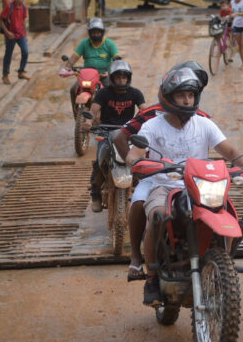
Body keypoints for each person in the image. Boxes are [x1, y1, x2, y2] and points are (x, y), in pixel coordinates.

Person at [125, 67, 243, 306]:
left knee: (229, 215)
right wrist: (138, 161)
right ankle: (151, 277)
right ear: (169, 97)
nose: (187, 100)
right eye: (182, 95)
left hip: (200, 185)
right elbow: (134, 154)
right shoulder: (153, 126)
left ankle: (223, 263)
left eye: (191, 95)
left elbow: (231, 151)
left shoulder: (204, 124)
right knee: (158, 216)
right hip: (164, 186)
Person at [114, 61, 210, 281]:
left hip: (190, 176)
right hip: (155, 175)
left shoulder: (201, 118)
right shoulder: (151, 115)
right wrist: (137, 171)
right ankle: (137, 258)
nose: (188, 98)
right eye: (182, 92)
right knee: (138, 203)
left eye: (193, 91)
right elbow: (121, 137)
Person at [83, 60, 146, 212]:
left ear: (128, 78)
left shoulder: (135, 93)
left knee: (141, 162)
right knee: (99, 162)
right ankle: (95, 193)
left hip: (128, 134)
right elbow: (93, 110)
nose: (121, 80)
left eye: (124, 77)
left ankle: (143, 190)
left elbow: (144, 110)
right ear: (112, 78)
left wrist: (145, 122)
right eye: (118, 78)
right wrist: (89, 121)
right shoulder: (104, 93)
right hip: (106, 131)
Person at [64, 17, 120, 113]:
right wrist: (67, 67)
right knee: (73, 89)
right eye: (93, 32)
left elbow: (116, 58)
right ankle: (76, 114)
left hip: (103, 75)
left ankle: (111, 114)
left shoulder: (110, 44)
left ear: (102, 32)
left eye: (98, 32)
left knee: (111, 90)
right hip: (87, 76)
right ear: (90, 33)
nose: (96, 34)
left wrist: (113, 68)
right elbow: (74, 56)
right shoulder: (84, 43)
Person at [0, 0, 29, 85]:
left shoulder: (24, 7)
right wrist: (7, 32)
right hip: (11, 34)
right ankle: (5, 75)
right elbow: (0, 19)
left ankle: (21, 71)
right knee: (8, 54)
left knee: (25, 52)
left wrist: (25, 33)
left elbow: (23, 20)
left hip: (20, 34)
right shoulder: (9, 6)